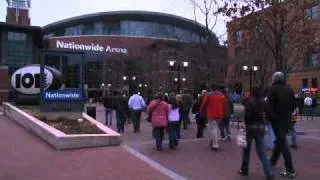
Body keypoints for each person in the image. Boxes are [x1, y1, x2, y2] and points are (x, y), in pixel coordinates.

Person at [239, 86, 274, 180]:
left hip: (250, 128)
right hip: (261, 128)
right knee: (262, 152)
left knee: (246, 150)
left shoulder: (249, 101)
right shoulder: (264, 102)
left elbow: (247, 116)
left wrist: (246, 126)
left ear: (252, 92)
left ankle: (244, 169)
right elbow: (270, 115)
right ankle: (269, 173)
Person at [267, 72, 296, 178]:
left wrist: (270, 119)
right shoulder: (289, 90)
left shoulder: (272, 90)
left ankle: (290, 169)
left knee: (283, 144)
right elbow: (293, 105)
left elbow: (269, 107)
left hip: (277, 121)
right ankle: (272, 161)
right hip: (286, 120)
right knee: (280, 141)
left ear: (274, 79)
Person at [200, 83, 225, 151]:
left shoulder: (209, 95)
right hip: (219, 114)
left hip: (211, 113)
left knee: (213, 128)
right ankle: (212, 140)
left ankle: (215, 144)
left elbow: (203, 104)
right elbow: (224, 104)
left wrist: (202, 112)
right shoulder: (221, 95)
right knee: (215, 128)